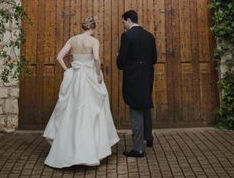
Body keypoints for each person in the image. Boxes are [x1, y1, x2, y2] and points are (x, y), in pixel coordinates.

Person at [43, 16, 119, 168]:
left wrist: (68, 71)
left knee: (71, 111)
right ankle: (93, 150)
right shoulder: (94, 41)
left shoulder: (73, 40)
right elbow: (96, 58)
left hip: (76, 77)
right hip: (90, 77)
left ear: (83, 27)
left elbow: (59, 57)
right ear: (93, 28)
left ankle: (67, 150)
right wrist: (98, 74)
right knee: (93, 111)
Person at [116, 10, 157, 158]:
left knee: (136, 111)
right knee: (145, 105)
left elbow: (121, 62)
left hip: (133, 79)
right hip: (147, 77)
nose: (123, 25)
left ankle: (138, 148)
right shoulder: (150, 36)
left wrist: (119, 57)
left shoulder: (127, 36)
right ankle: (149, 138)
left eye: (123, 22)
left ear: (128, 20)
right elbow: (154, 58)